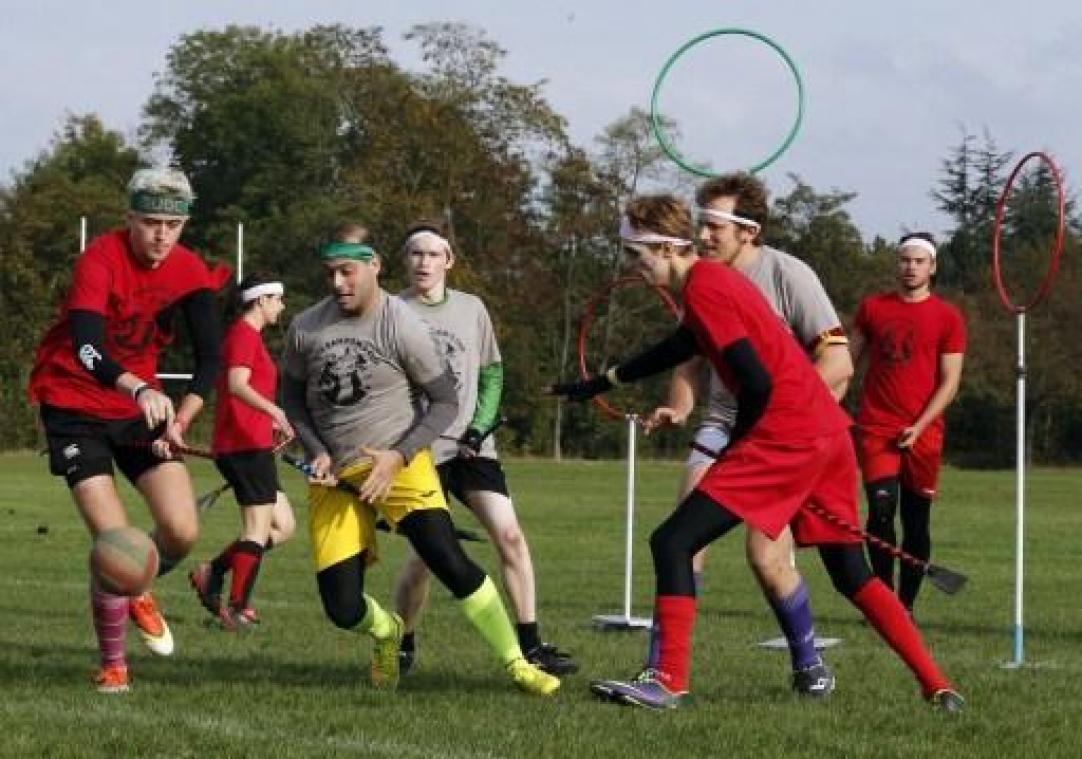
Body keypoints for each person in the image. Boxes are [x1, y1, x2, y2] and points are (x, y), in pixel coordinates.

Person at [550, 195, 963, 712]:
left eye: (638, 255)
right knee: (851, 573)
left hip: (785, 431)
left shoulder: (706, 288)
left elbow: (756, 383)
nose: (634, 267)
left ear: (667, 247)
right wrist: (601, 382)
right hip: (826, 431)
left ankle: (666, 679)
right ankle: (937, 684)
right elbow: (680, 347)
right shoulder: (706, 285)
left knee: (673, 541)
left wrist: (738, 453)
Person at [280, 222, 559, 696]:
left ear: (373, 267)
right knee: (342, 608)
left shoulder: (401, 323)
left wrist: (398, 455)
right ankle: (389, 630)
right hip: (336, 477)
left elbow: (445, 401)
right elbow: (290, 395)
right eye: (330, 274)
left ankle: (517, 663)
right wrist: (317, 449)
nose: (337, 284)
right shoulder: (306, 327)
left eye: (347, 272)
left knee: (447, 558)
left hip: (402, 463)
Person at [643, 173, 852, 696]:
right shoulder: (699, 282)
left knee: (766, 558)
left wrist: (789, 422)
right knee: (681, 543)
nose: (703, 236)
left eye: (713, 226)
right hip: (721, 429)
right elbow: (691, 361)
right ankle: (660, 670)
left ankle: (810, 667)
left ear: (748, 231)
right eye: (701, 224)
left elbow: (838, 360)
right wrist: (678, 406)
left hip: (778, 435)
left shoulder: (789, 274)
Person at [28, 167, 227, 693]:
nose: (161, 235)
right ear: (129, 219)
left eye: (172, 224)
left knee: (182, 532)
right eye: (150, 222)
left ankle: (133, 580)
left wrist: (182, 418)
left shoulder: (189, 270)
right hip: (73, 401)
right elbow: (87, 346)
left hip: (141, 409)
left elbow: (211, 358)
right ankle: (114, 661)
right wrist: (139, 388)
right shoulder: (99, 260)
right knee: (116, 542)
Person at [389, 221, 577, 676]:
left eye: (434, 255)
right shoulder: (391, 311)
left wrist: (479, 428)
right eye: (416, 254)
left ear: (449, 261)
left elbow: (492, 373)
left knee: (510, 536)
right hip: (418, 455)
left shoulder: (472, 309)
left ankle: (531, 644)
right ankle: (401, 643)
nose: (424, 263)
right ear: (405, 261)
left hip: (473, 449)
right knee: (424, 559)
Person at [851, 233, 966, 616]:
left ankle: (907, 604)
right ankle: (883, 601)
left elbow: (950, 382)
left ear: (932, 266)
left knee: (916, 523)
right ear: (897, 263)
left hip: (924, 434)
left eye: (919, 261)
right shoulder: (872, 308)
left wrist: (919, 425)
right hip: (877, 428)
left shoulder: (948, 317)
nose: (911, 267)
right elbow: (847, 362)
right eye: (905, 260)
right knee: (881, 512)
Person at [189, 272, 297, 630]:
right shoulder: (242, 335)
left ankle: (213, 571)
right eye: (277, 300)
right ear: (262, 300)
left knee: (283, 526)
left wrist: (267, 422)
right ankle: (237, 609)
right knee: (256, 529)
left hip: (254, 443)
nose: (281, 307)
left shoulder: (251, 337)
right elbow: (237, 385)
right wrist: (275, 411)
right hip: (243, 447)